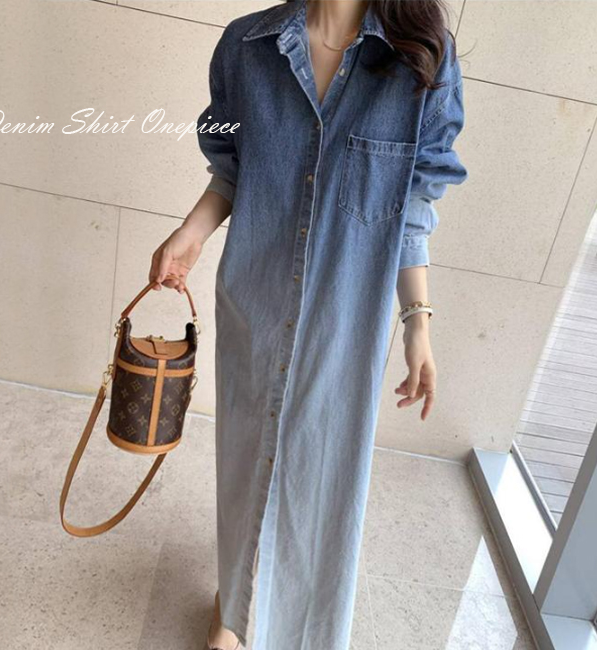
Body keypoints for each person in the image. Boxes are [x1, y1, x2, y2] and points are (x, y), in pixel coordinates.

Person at [149, 0, 468, 648]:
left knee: (320, 477)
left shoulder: (422, 58)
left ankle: (283, 621)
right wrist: (192, 233)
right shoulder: (246, 46)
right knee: (247, 458)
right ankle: (234, 609)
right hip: (255, 300)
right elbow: (232, 170)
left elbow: (411, 205)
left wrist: (417, 322)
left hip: (345, 319)